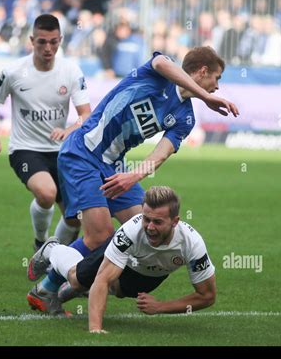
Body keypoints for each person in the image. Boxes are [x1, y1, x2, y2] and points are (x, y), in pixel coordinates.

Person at [57, 46, 239, 260]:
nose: (217, 87)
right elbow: (161, 62)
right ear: (203, 71)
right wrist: (206, 97)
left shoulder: (185, 118)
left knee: (144, 231)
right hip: (83, 151)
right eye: (216, 78)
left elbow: (160, 154)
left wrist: (133, 176)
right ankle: (53, 264)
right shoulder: (159, 72)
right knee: (100, 236)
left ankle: (84, 279)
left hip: (113, 165)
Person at [26, 186, 216, 333]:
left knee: (118, 289)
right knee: (78, 280)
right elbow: (102, 279)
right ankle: (53, 249)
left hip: (149, 274)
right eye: (146, 219)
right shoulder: (130, 232)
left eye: (157, 222)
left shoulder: (192, 244)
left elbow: (207, 296)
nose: (149, 227)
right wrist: (96, 330)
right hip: (126, 255)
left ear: (175, 222)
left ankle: (57, 291)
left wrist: (160, 307)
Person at [0, 14, 91, 251]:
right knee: (47, 193)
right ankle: (41, 243)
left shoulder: (71, 70)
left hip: (63, 152)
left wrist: (69, 130)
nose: (48, 47)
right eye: (42, 41)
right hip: (26, 150)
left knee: (77, 218)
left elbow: (85, 114)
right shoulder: (13, 72)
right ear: (32, 40)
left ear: (60, 40)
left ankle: (55, 261)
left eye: (53, 41)